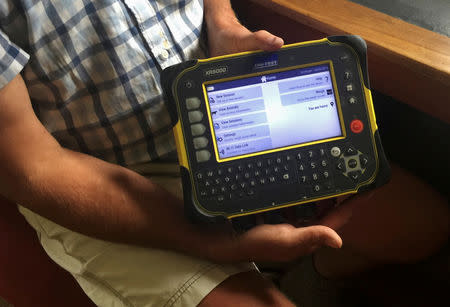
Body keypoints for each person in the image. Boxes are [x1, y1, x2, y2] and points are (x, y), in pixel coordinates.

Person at [0, 0, 448, 306]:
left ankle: (310, 273)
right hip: (100, 172)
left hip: (221, 113)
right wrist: (211, 242)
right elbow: (32, 169)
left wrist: (224, 27)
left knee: (422, 227)